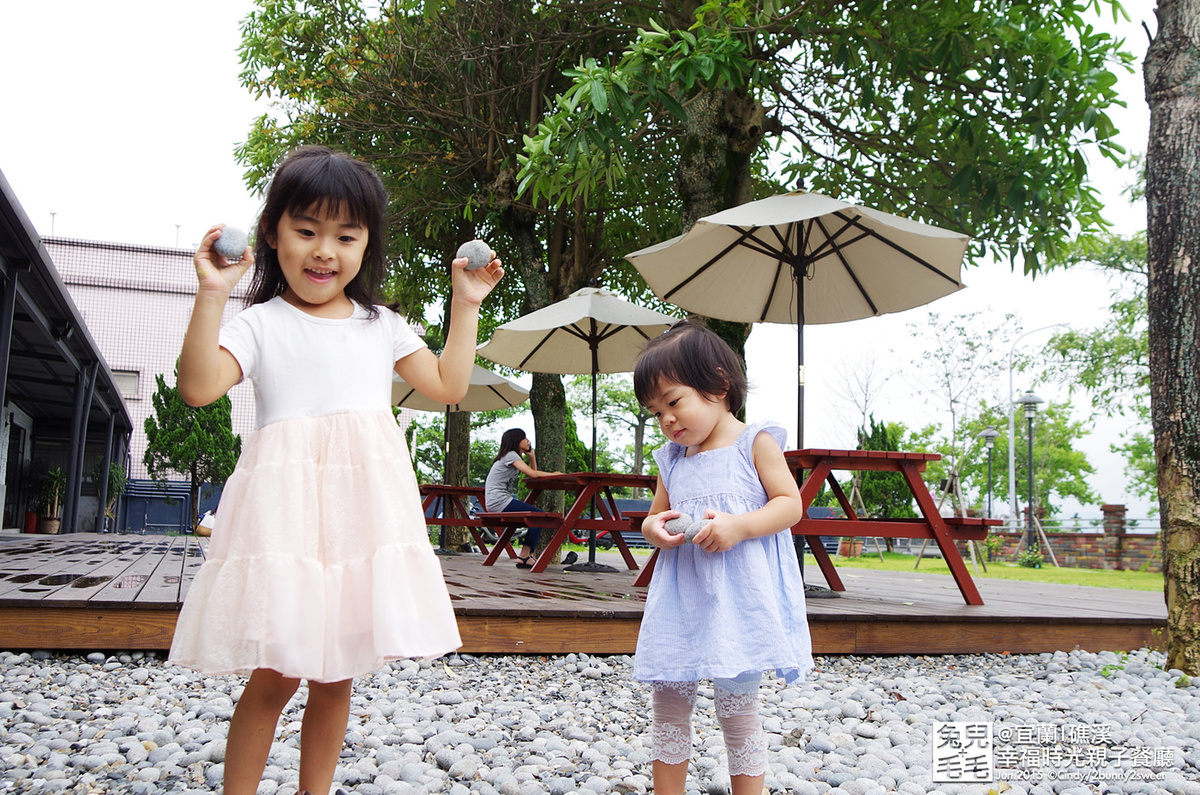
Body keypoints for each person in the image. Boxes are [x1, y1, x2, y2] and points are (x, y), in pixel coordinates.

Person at [167, 145, 503, 795]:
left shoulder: (382, 325)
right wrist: (213, 293)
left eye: (345, 235)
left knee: (336, 671)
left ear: (367, 243)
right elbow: (198, 388)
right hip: (286, 517)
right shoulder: (261, 323)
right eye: (307, 230)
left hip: (358, 518)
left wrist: (466, 303)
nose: (325, 250)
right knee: (277, 671)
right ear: (272, 233)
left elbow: (449, 383)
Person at [632, 319, 813, 795]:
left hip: (738, 601)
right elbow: (655, 519)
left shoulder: (754, 443)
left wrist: (738, 526)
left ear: (718, 384)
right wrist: (653, 529)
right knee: (668, 707)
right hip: (682, 600)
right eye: (656, 412)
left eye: (673, 402)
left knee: (737, 709)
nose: (667, 420)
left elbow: (789, 504)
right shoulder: (672, 458)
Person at [483, 428, 572, 568]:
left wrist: (532, 457)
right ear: (516, 441)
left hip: (497, 501)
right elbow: (533, 474)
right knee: (540, 517)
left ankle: (525, 556)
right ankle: (525, 556)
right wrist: (554, 474)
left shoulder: (509, 455)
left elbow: (533, 473)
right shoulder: (511, 455)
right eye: (524, 438)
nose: (527, 441)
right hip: (499, 501)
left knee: (538, 517)